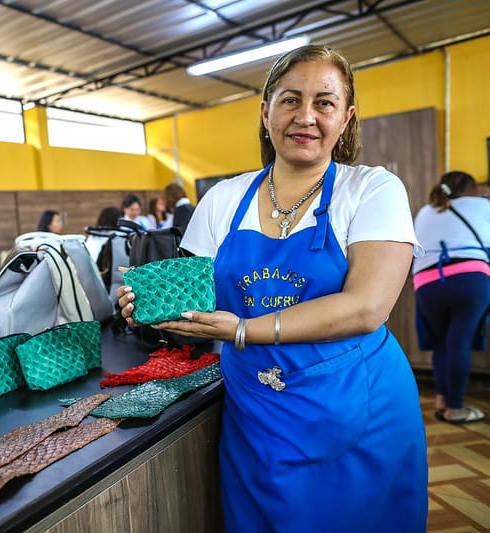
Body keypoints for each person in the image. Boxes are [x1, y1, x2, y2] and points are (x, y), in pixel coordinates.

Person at [118, 44, 427, 532]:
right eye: (289, 100)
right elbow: (196, 310)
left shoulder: (371, 189)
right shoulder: (223, 200)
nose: (305, 116)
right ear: (265, 113)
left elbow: (365, 308)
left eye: (324, 103)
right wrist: (151, 308)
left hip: (358, 409)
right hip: (259, 418)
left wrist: (243, 329)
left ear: (345, 119)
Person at [413, 171, 490, 424]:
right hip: (469, 278)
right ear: (472, 189)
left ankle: (442, 400)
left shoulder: (426, 210)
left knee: (442, 343)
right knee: (460, 341)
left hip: (427, 283)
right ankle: (456, 409)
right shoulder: (483, 205)